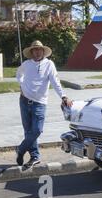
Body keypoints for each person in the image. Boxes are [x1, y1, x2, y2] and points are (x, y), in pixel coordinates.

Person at [16, 40, 73, 168]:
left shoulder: (49, 64)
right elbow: (18, 74)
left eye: (39, 50)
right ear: (31, 52)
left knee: (37, 130)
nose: (37, 52)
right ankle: (34, 156)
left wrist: (63, 96)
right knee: (28, 131)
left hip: (39, 103)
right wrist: (22, 84)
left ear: (43, 51)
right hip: (24, 101)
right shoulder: (26, 64)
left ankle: (20, 149)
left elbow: (55, 82)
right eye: (34, 50)